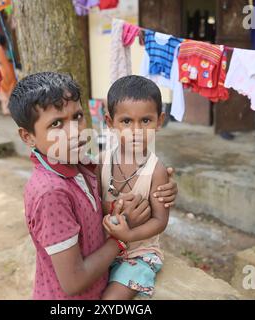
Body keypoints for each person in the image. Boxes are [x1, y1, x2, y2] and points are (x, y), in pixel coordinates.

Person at [8, 72, 177, 300]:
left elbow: (97, 204)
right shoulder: (51, 193)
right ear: (28, 137)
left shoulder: (82, 164)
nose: (75, 131)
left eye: (77, 116)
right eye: (56, 124)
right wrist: (122, 235)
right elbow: (73, 282)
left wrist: (120, 206)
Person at [100, 75, 169, 299]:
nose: (136, 130)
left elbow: (160, 220)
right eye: (126, 121)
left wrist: (129, 234)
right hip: (103, 248)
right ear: (110, 123)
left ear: (160, 121)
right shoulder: (101, 162)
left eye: (146, 121)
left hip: (139, 253)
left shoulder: (156, 170)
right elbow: (92, 203)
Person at [0, 34, 16, 116]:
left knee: (2, 91)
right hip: (10, 73)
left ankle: (6, 110)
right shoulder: (8, 50)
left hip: (1, 73)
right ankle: (11, 109)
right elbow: (12, 60)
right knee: (11, 90)